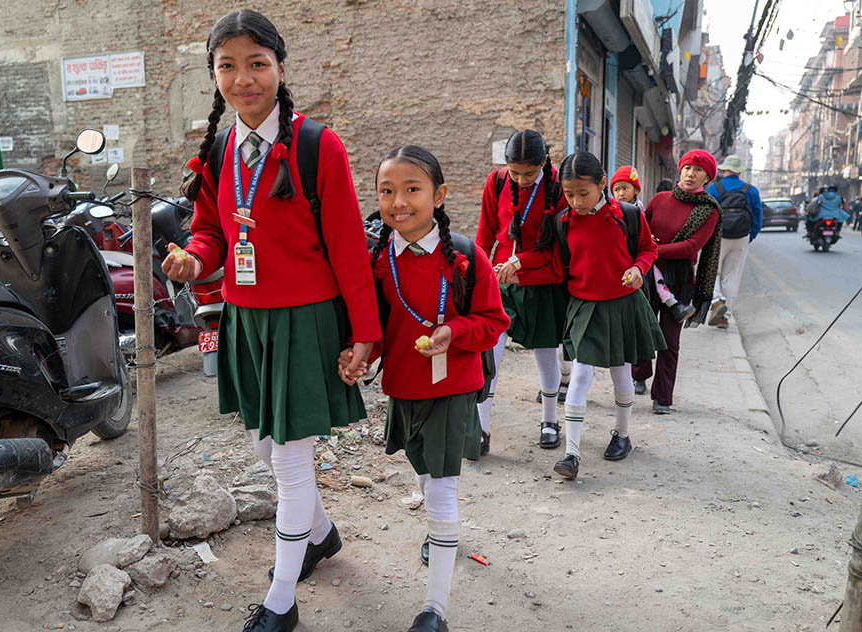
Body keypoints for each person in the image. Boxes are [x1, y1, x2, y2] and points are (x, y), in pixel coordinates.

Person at [162, 11, 380, 632]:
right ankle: (320, 534)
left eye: (256, 63)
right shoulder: (218, 150)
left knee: (288, 460)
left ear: (280, 68)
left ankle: (281, 601)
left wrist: (364, 332)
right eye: (227, 65)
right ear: (213, 74)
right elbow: (210, 231)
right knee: (264, 444)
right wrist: (193, 257)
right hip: (246, 321)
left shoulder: (318, 145)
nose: (243, 78)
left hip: (304, 321)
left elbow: (345, 247)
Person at [346, 145, 509, 632]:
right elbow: (376, 331)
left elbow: (493, 321)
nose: (399, 201)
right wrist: (359, 357)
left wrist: (453, 333)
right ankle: (445, 538)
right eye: (387, 191)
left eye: (412, 189)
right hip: (405, 389)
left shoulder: (465, 255)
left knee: (441, 489)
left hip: (454, 387)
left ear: (438, 195)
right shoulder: (377, 261)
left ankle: (434, 608)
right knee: (422, 474)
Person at [550, 151, 666, 481]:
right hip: (584, 306)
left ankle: (623, 434)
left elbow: (648, 249)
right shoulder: (563, 222)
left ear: (603, 184)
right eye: (568, 194)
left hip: (622, 305)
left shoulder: (627, 215)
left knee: (621, 373)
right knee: (581, 373)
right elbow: (561, 264)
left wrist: (637, 268)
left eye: (582, 193)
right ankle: (571, 453)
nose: (575, 201)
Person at [475, 130, 568, 452]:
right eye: (515, 172)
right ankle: (481, 429)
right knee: (490, 358)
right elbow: (485, 233)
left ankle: (550, 420)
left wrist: (519, 262)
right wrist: (477, 271)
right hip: (499, 283)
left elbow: (556, 246)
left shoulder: (559, 187)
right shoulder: (497, 182)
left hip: (541, 282)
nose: (521, 179)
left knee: (545, 355)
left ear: (544, 162)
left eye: (529, 173)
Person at [631, 150, 723, 414]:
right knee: (642, 330)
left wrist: (653, 250)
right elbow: (641, 231)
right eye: (687, 168)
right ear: (679, 170)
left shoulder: (709, 210)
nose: (691, 174)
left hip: (680, 279)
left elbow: (690, 247)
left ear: (707, 176)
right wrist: (644, 254)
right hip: (647, 275)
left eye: (698, 170)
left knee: (670, 340)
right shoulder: (659, 200)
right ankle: (640, 374)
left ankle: (663, 397)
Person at [611, 166, 695, 342]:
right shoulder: (612, 211)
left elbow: (644, 233)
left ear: (636, 190)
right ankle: (672, 302)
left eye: (625, 188)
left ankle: (671, 302)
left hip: (639, 260)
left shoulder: (637, 210)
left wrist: (649, 240)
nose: (620, 193)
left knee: (654, 274)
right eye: (616, 189)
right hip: (623, 260)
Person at [705, 154, 762, 330]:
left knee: (711, 271)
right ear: (739, 172)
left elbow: (705, 214)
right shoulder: (750, 190)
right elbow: (758, 217)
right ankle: (725, 316)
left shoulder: (714, 188)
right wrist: (749, 236)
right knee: (732, 276)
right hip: (741, 237)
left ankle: (716, 300)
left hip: (717, 236)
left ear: (724, 170)